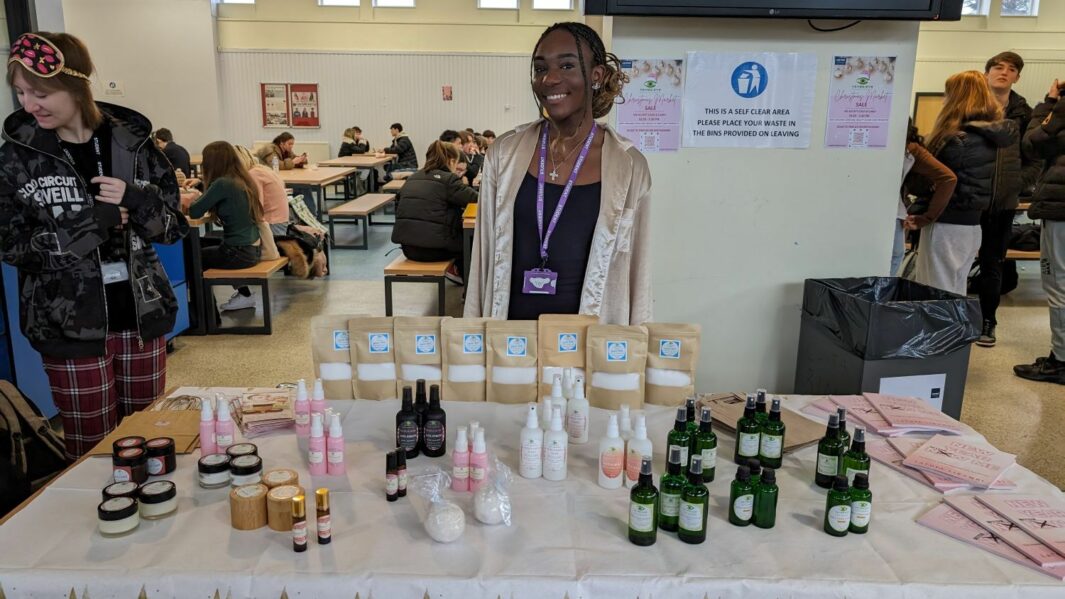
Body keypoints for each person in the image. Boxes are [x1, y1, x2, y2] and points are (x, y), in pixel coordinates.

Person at [0, 32, 188, 460]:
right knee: (92, 454)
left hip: (142, 315)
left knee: (150, 441)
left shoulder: (133, 144)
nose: (29, 105)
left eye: (41, 92)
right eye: (21, 93)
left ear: (76, 85)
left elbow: (174, 228)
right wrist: (88, 227)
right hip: (69, 324)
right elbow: (10, 245)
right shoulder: (18, 156)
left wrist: (137, 200)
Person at [464, 22, 651, 324]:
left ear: (597, 75)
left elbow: (638, 271)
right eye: (540, 69)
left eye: (567, 65)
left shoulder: (628, 167)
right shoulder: (505, 154)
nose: (550, 79)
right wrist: (473, 339)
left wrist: (632, 353)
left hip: (586, 347)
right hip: (509, 343)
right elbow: (483, 261)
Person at [911, 70, 1018, 297]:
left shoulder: (954, 140)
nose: (944, 99)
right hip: (972, 226)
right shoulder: (993, 140)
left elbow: (927, 184)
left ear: (956, 98)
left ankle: (944, 333)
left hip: (945, 224)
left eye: (947, 94)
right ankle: (958, 333)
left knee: (936, 293)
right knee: (956, 289)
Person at [975, 52, 1042, 347]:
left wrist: (1017, 184)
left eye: (1011, 69)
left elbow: (1035, 158)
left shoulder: (1025, 114)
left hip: (1002, 201)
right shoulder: (970, 105)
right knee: (957, 263)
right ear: (987, 72)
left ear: (1017, 77)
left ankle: (987, 323)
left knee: (992, 262)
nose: (1003, 72)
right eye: (998, 67)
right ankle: (949, 318)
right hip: (967, 197)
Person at [1013, 77, 1065, 384]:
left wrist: (1050, 103)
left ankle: (1060, 361)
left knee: (1058, 285)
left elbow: (1031, 145)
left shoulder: (1060, 113)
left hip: (1060, 210)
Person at [189, 141, 263, 310]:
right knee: (203, 242)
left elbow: (194, 211)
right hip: (252, 249)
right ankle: (245, 295)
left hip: (238, 252)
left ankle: (204, 311)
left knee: (192, 256)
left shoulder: (223, 183)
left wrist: (194, 194)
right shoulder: (241, 179)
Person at [391, 141, 478, 283]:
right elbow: (476, 199)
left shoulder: (412, 178)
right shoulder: (448, 179)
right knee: (472, 239)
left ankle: (457, 273)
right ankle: (466, 282)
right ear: (451, 161)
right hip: (437, 250)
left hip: (409, 248)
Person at [897, 120, 957, 275]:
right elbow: (948, 178)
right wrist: (927, 218)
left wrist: (926, 217)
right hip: (892, 216)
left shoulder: (909, 149)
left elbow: (948, 179)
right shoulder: (909, 148)